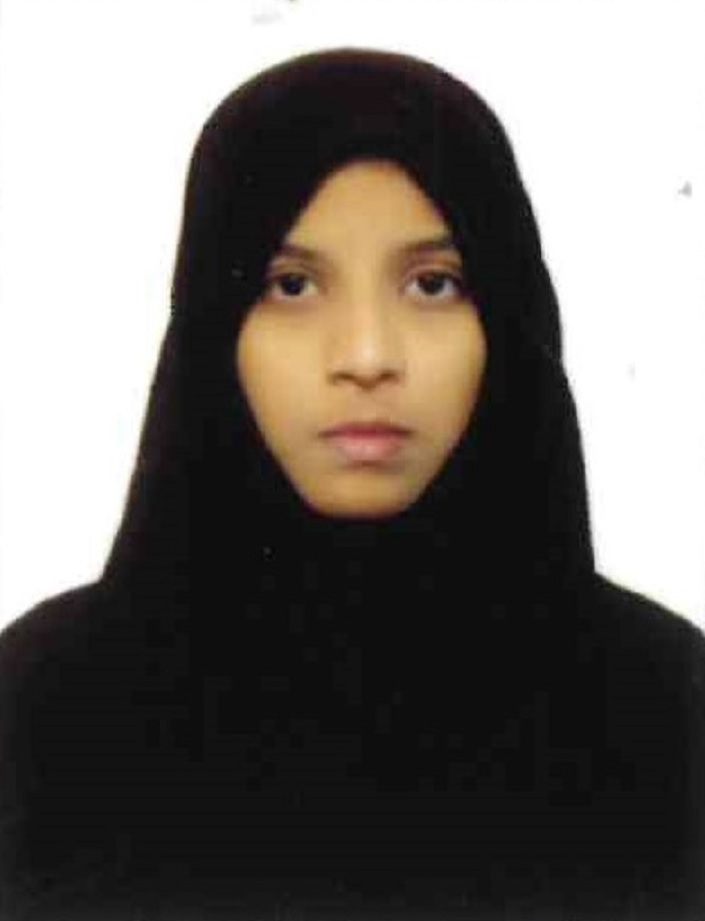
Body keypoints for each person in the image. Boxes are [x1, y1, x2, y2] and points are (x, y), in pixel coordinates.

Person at [0, 47, 703, 921]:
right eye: (291, 285)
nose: (367, 354)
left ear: (507, 318)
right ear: (213, 329)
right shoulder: (42, 714)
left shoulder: (666, 714)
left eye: (432, 284)